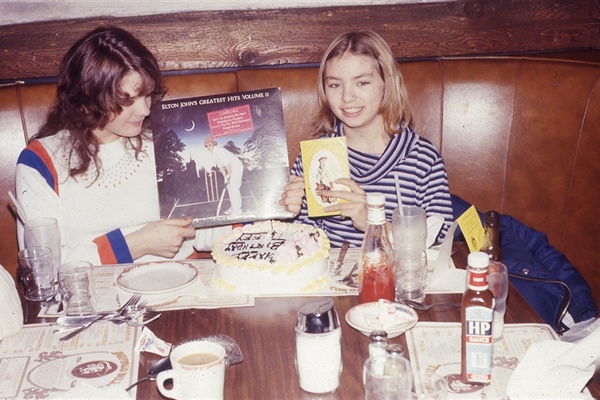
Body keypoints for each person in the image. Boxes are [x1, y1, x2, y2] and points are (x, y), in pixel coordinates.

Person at [15, 26, 228, 266]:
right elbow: (42, 264)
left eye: (147, 94)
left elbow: (205, 230)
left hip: (183, 287)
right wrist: (136, 244)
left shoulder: (163, 141)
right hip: (96, 297)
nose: (145, 110)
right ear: (87, 99)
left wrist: (268, 208)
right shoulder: (41, 162)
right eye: (127, 100)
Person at [280, 30, 454, 247]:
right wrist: (288, 214)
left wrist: (374, 223)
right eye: (335, 85)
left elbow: (441, 239)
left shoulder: (423, 158)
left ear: (386, 84)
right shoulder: (316, 156)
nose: (347, 97)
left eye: (362, 83)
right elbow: (302, 246)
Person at [204, 136, 244, 216]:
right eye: (206, 146)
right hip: (231, 168)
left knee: (234, 188)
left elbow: (228, 165)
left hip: (236, 167)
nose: (208, 147)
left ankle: (237, 211)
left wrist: (229, 175)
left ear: (214, 144)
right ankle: (233, 207)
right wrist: (225, 177)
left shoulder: (219, 151)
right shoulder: (214, 153)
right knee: (229, 187)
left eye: (210, 145)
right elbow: (221, 167)